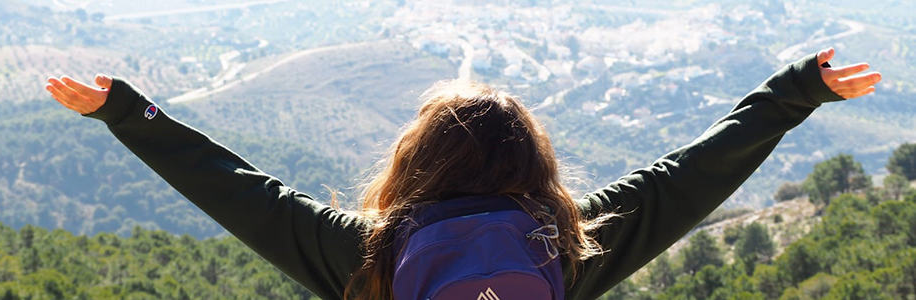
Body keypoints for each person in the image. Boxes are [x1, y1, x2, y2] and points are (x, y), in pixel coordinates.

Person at [44, 48, 880, 300]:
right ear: (534, 159)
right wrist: (795, 92)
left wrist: (127, 111)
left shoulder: (371, 252)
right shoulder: (564, 246)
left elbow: (233, 185)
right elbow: (690, 175)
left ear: (414, 161)